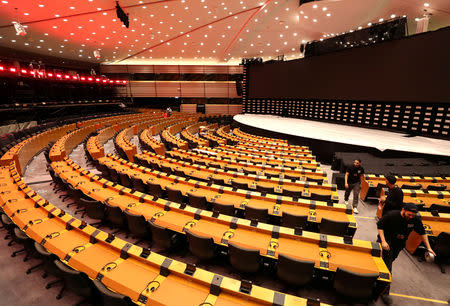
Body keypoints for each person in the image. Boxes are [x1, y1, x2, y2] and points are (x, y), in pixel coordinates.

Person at [377, 203, 435, 305]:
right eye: (409, 214)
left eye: (413, 215)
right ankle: (384, 292)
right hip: (387, 242)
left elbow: (423, 233)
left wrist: (429, 248)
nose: (411, 217)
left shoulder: (415, 220)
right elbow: (380, 225)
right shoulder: (392, 215)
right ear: (403, 210)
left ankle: (378, 274)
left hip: (399, 244)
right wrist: (383, 241)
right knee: (388, 267)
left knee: (388, 261)